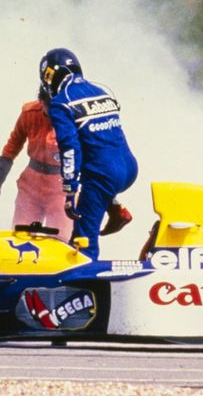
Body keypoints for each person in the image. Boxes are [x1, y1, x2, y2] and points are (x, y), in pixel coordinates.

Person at [38, 48, 137, 259]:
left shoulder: (60, 103)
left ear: (50, 76)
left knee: (83, 239)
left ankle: (86, 287)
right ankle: (113, 206)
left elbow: (70, 148)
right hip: (129, 167)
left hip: (105, 175)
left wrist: (69, 190)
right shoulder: (102, 91)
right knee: (93, 154)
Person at [0, 90, 72, 240]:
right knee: (20, 238)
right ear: (42, 102)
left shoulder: (75, 118)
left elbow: (94, 154)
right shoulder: (29, 113)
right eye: (49, 107)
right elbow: (13, 144)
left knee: (61, 241)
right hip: (31, 187)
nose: (53, 113)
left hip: (61, 189)